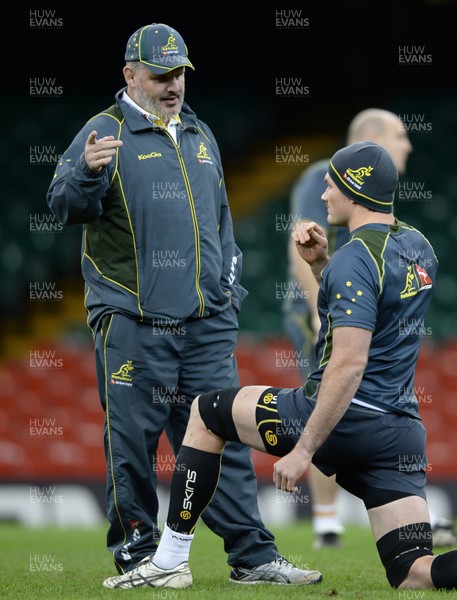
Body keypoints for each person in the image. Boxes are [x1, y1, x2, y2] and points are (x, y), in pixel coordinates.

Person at [102, 141, 457, 591]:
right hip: (397, 432)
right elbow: (378, 308)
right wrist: (322, 266)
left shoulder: (356, 259)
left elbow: (349, 364)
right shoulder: (419, 247)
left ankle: (170, 559)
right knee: (414, 574)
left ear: (353, 190)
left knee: (206, 413)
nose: (324, 195)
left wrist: (304, 451)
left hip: (340, 418)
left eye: (331, 186)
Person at [47, 22, 317, 586]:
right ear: (130, 75)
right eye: (160, 74)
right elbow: (63, 205)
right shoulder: (103, 131)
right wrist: (86, 173)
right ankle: (140, 558)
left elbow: (220, 221)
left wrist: (229, 290)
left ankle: (252, 556)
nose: (173, 85)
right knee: (132, 447)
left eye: (180, 74)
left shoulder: (199, 132)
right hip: (133, 323)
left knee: (227, 440)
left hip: (205, 325)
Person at [283, 108, 456, 549]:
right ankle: (327, 523)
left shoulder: (382, 207)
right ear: (375, 139)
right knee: (327, 401)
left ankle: (394, 503)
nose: (409, 145)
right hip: (328, 310)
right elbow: (299, 240)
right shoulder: (327, 179)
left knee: (344, 410)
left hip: (355, 302)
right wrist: (322, 312)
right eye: (401, 136)